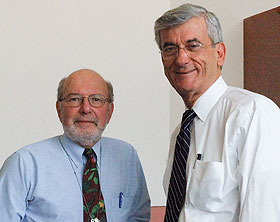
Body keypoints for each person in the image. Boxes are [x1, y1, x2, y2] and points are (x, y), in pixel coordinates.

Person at [154, 3, 280, 222]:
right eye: (170, 48)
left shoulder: (252, 114)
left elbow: (264, 214)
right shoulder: (180, 133)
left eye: (193, 45)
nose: (181, 59)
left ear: (219, 53)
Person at [0, 69, 151, 221]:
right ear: (59, 110)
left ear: (109, 111)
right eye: (74, 99)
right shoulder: (24, 164)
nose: (85, 109)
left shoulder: (126, 156)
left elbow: (138, 217)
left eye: (96, 99)